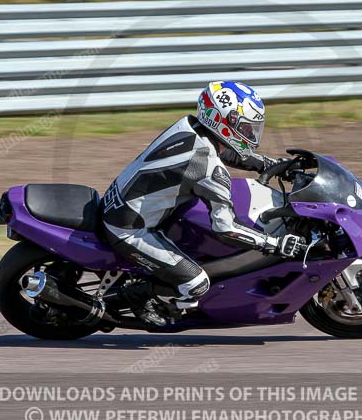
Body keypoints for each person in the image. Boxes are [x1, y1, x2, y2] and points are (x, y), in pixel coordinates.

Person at [101, 81, 309, 327]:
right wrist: (274, 244)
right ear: (223, 122)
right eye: (244, 126)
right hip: (129, 228)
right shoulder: (208, 167)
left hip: (125, 204)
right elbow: (225, 228)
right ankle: (133, 298)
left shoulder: (190, 126)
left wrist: (270, 164)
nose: (251, 133)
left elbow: (226, 152)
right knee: (196, 283)